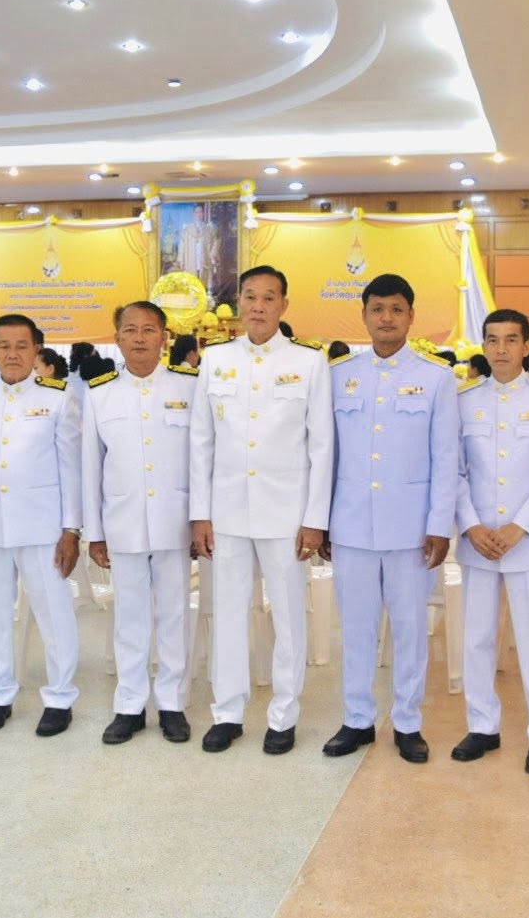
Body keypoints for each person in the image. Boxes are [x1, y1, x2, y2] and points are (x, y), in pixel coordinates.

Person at [190, 265, 333, 754]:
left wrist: (315, 519)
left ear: (283, 305)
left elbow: (322, 446)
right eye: (250, 296)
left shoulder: (309, 362)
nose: (257, 306)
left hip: (286, 514)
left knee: (289, 615)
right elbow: (201, 441)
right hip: (227, 510)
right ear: (239, 303)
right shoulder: (216, 359)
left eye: (268, 298)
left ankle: (284, 715)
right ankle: (227, 712)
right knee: (228, 612)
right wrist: (200, 513)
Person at [319, 275, 458, 765]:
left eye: (396, 309)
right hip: (352, 524)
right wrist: (322, 520)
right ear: (364, 315)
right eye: (377, 308)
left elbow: (446, 457)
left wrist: (439, 524)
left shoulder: (437, 377)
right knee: (355, 628)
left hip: (411, 528)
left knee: (409, 628)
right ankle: (356, 718)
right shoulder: (339, 375)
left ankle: (408, 722)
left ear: (411, 316)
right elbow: (327, 454)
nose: (386, 318)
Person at [452, 310, 529, 774]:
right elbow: (454, 470)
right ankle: (482, 725)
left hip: (527, 541)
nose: (501, 349)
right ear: (483, 345)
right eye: (492, 339)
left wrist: (519, 526)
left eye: (510, 339)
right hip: (479, 540)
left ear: (527, 346)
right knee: (477, 637)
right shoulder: (464, 401)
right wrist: (471, 525)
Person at [0, 314, 81, 736]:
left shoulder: (58, 397)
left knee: (54, 613)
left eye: (21, 345)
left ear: (36, 350)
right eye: (3, 345)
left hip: (43, 527)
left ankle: (59, 697)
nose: (12, 354)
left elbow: (71, 468)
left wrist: (71, 529)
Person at [82, 302, 198, 744]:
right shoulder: (99, 393)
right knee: (129, 617)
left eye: (149, 330)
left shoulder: (189, 386)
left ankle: (172, 704)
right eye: (130, 330)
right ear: (117, 339)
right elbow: (90, 468)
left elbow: (201, 459)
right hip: (123, 521)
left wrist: (199, 519)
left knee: (173, 615)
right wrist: (94, 533)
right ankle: (129, 705)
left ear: (164, 337)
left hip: (174, 521)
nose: (140, 338)